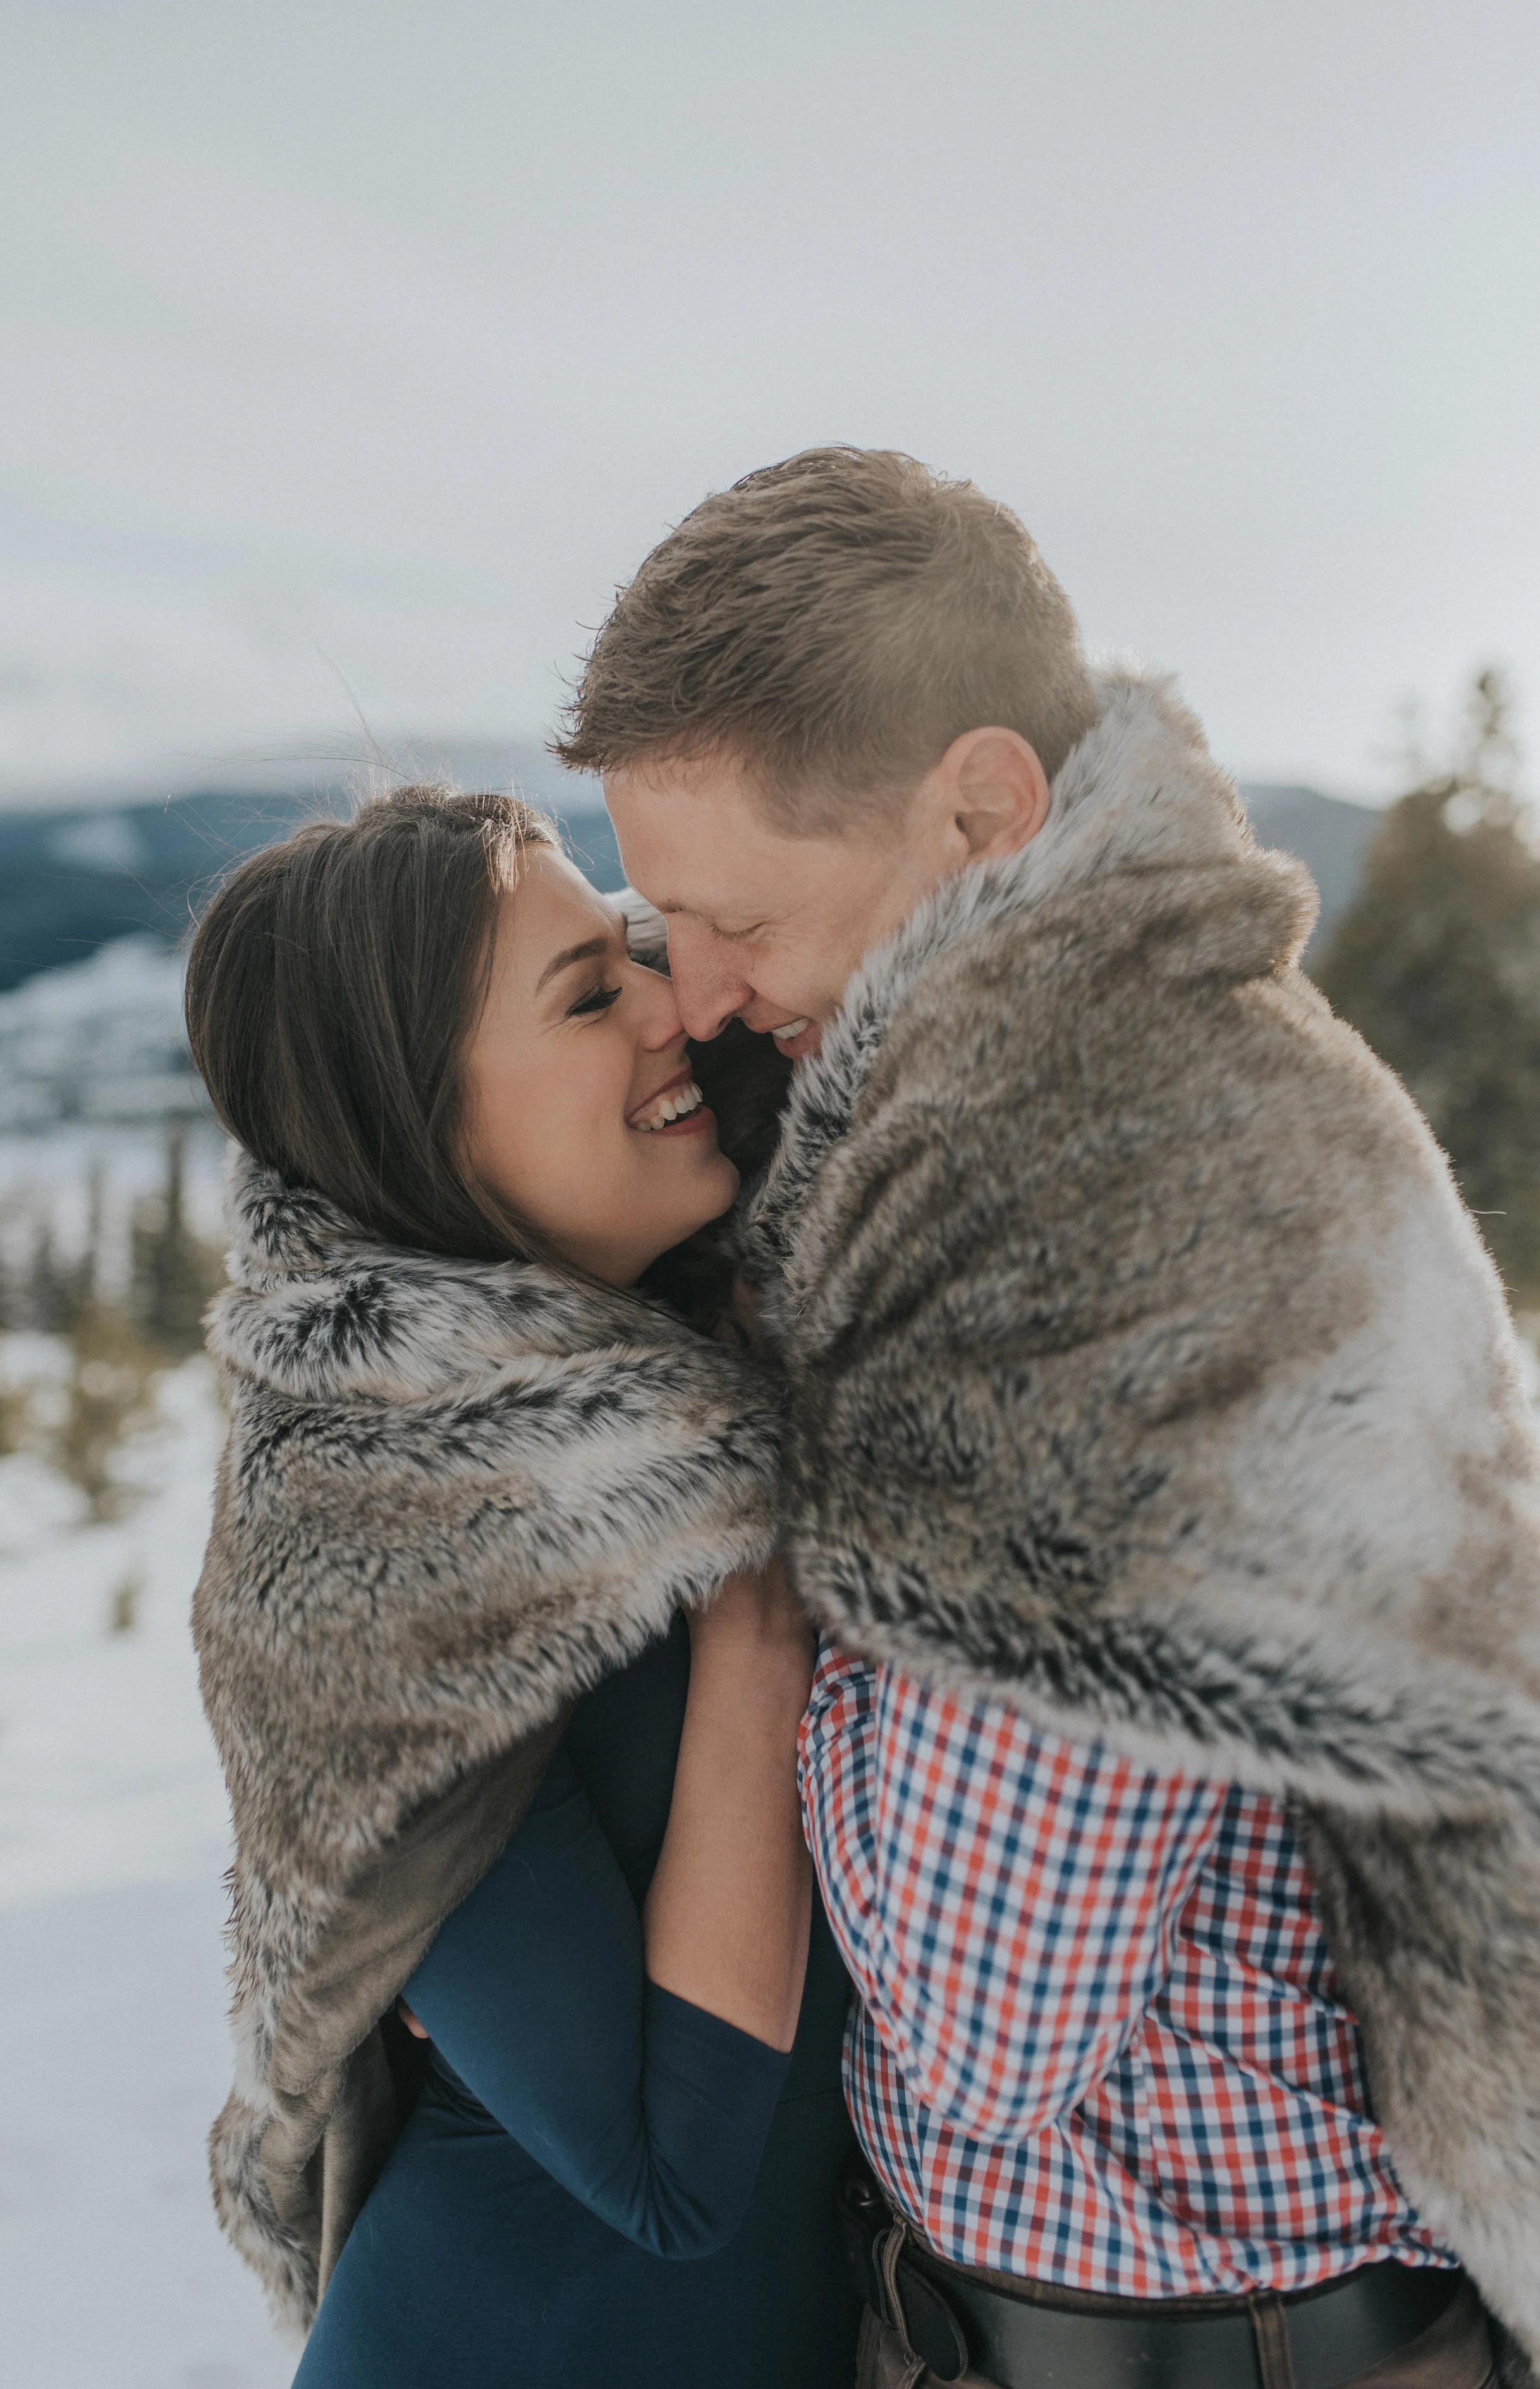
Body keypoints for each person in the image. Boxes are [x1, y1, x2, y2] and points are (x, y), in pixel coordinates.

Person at [556, 446, 1540, 2389]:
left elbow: (982, 2028)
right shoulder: (1079, 1091)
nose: (700, 994)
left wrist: (780, 1623)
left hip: (1231, 2349)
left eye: (731, 917)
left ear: (981, 808)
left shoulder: (1086, 1214)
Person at [184, 786, 860, 2389]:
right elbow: (664, 2168)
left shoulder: (714, 1351)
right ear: (424, 1132)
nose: (671, 1007)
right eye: (587, 993)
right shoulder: (379, 1549)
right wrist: (756, 1620)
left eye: (635, 948)